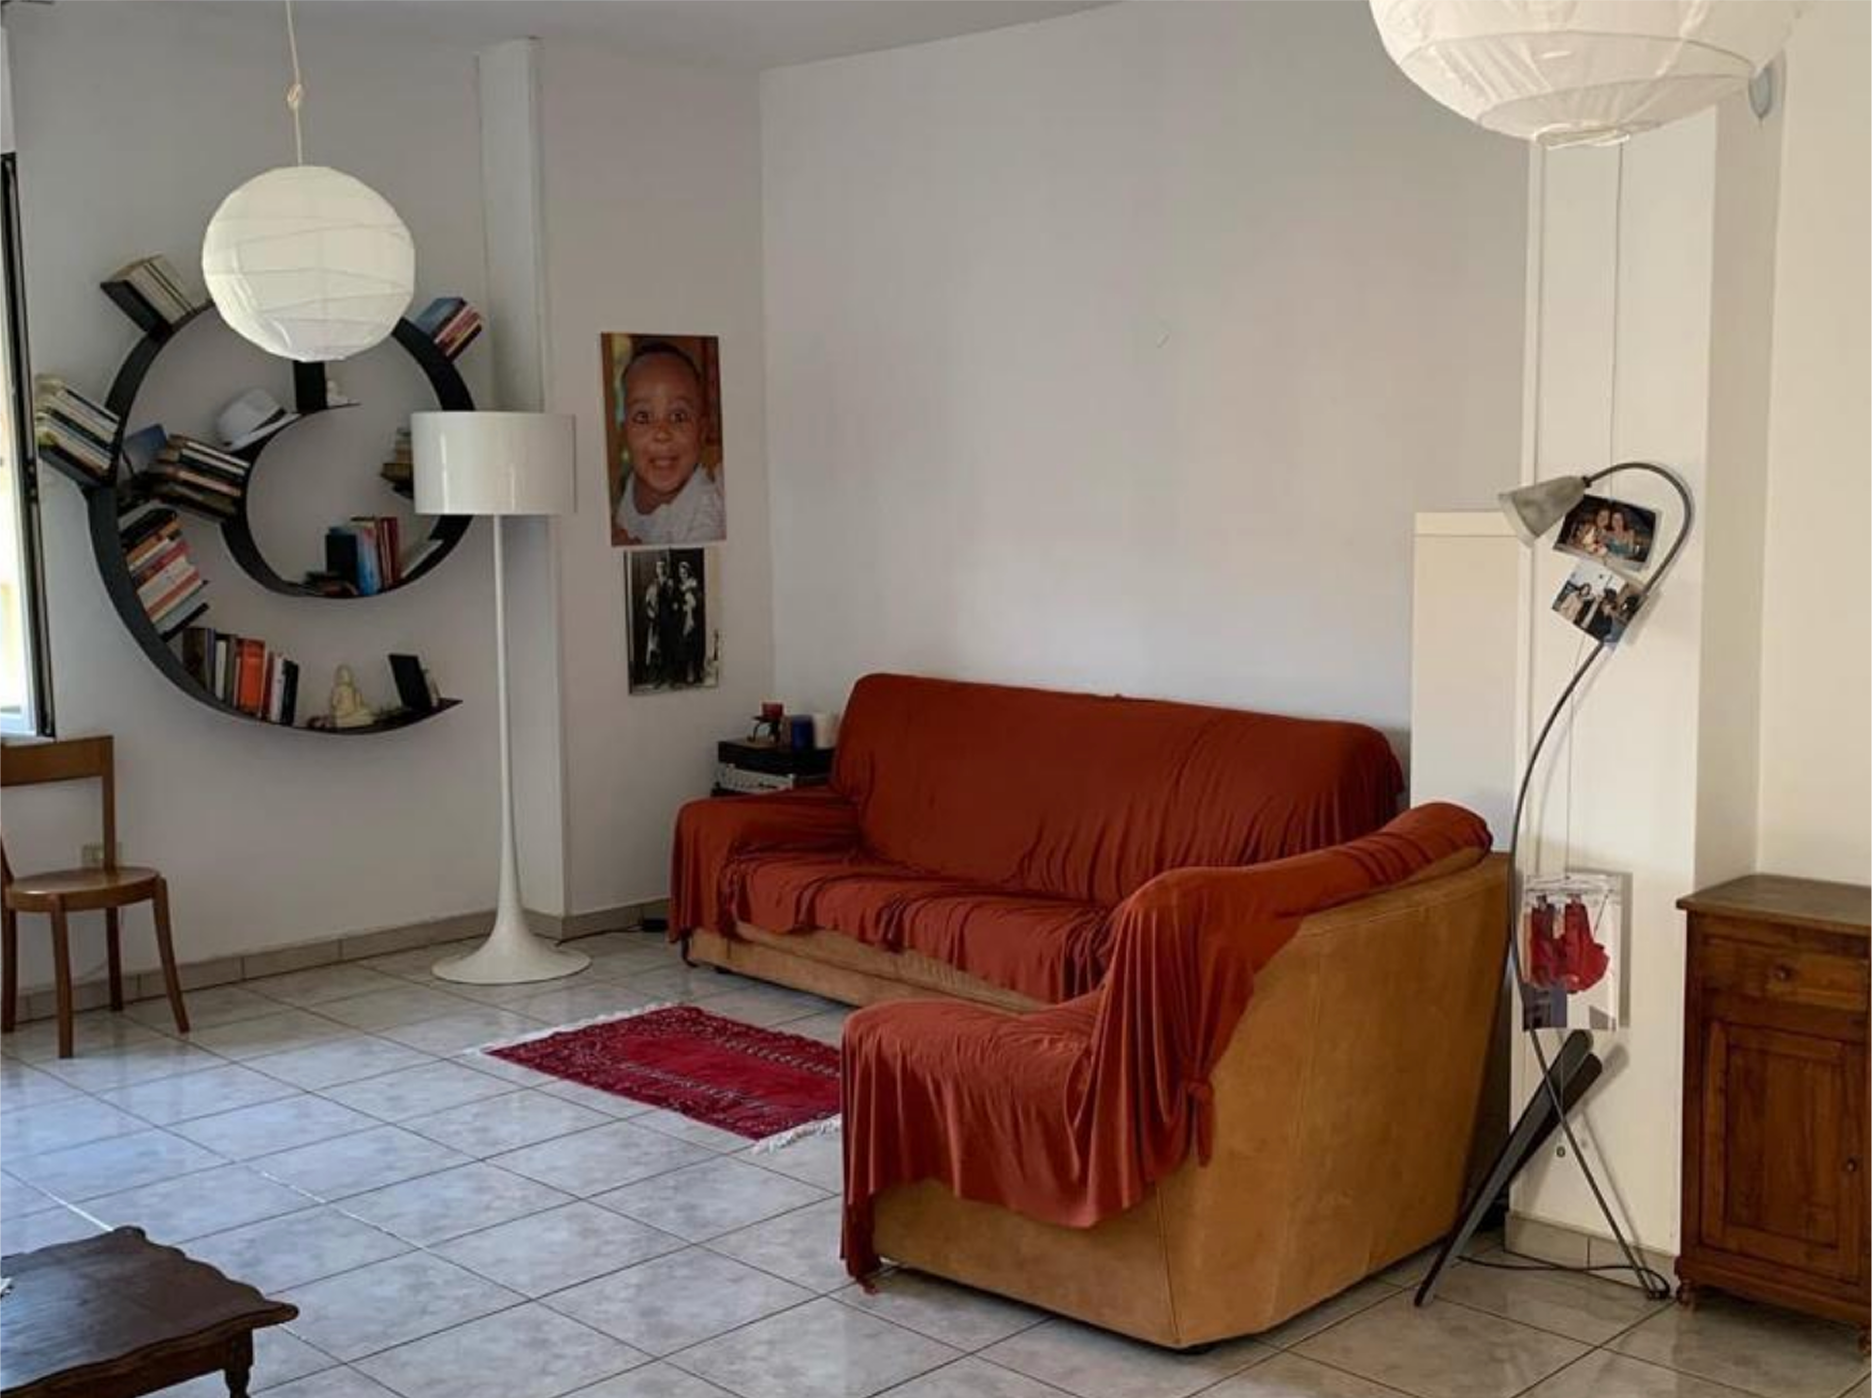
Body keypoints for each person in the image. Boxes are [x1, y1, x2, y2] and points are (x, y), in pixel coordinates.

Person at [612, 342, 726, 546]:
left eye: (678, 416)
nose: (662, 433)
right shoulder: (629, 486)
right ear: (624, 434)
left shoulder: (709, 513)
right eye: (643, 417)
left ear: (701, 432)